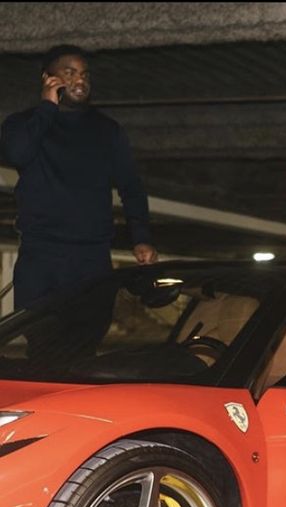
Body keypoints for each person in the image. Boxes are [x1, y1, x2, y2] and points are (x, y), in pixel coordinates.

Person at [0, 44, 156, 311]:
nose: (80, 80)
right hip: (41, 254)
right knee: (42, 342)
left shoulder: (107, 130)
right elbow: (17, 155)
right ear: (48, 78)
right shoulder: (23, 123)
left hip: (92, 256)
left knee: (87, 336)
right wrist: (48, 107)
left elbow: (131, 186)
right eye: (70, 73)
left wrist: (141, 237)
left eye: (85, 74)